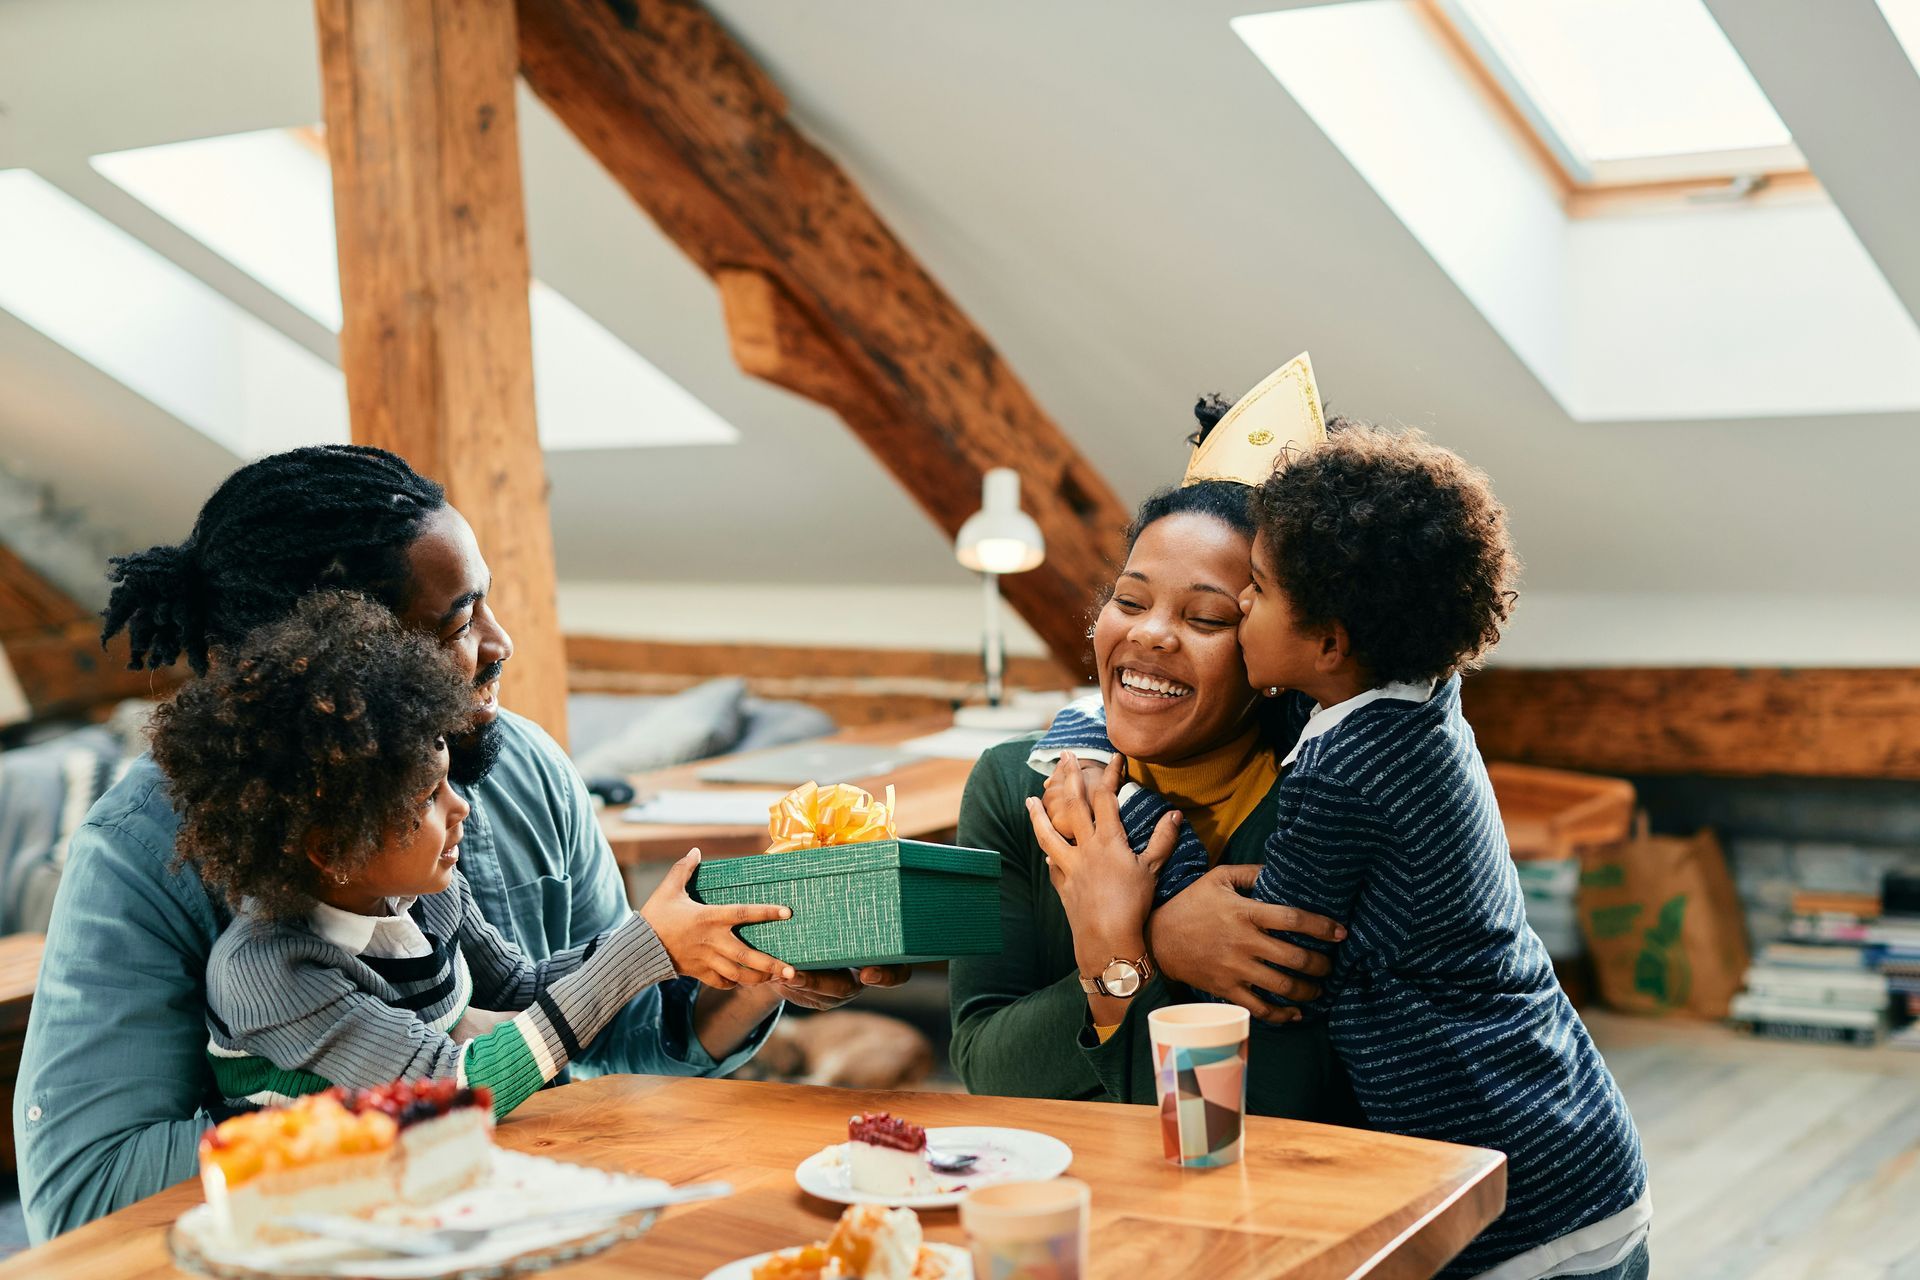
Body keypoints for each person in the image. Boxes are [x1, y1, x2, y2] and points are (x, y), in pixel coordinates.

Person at [15, 445, 905, 1240]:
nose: (499, 643)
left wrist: (747, 969)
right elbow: (85, 1194)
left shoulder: (524, 771)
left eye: (485, 603)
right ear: (335, 670)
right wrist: (380, 1125)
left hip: (536, 1226)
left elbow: (604, 1029)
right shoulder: (146, 855)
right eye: (454, 622)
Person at [1035, 426, 1649, 1280]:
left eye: (1248, 595)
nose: (1242, 608)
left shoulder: (1343, 775)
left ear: (1328, 644)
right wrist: (1093, 724)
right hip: (1570, 1128)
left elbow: (1266, 945)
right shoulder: (1418, 692)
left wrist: (1121, 807)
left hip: (1511, 1183)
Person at [156, 592, 796, 1115]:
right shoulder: (271, 972)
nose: (459, 807)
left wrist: (688, 937)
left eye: (448, 780)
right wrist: (640, 950)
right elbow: (456, 1087)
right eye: (425, 800)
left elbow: (519, 988)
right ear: (332, 849)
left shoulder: (425, 900)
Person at [948, 380, 1356, 1121]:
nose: (1151, 634)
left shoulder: (1318, 812)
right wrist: (1146, 948)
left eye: (1204, 616)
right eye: (1130, 601)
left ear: (1274, 651)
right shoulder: (1019, 789)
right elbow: (988, 1067)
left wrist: (1120, 965)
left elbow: (1245, 1117)